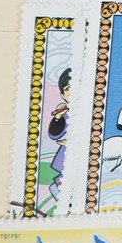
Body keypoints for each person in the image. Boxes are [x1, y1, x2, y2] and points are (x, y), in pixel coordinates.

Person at [46, 67, 72, 201]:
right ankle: (59, 192)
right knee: (66, 173)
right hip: (67, 150)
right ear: (62, 95)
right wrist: (58, 118)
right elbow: (54, 134)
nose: (72, 91)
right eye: (68, 88)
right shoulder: (64, 114)